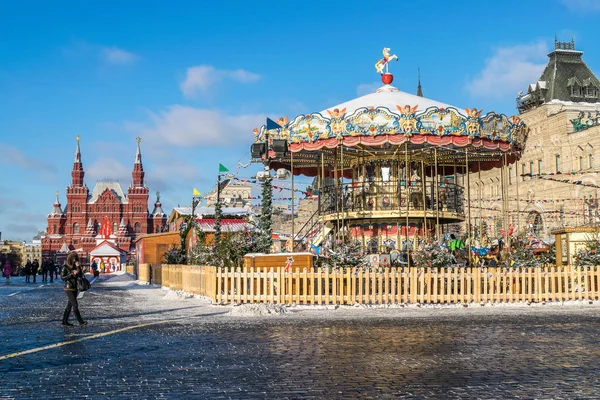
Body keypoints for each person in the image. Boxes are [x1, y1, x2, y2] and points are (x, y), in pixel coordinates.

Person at [61, 252, 87, 327]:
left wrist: (79, 268)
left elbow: (80, 276)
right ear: (70, 259)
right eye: (73, 258)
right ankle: (81, 322)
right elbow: (63, 278)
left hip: (75, 287)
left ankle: (64, 321)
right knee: (75, 305)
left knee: (69, 306)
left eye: (76, 258)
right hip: (68, 288)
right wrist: (72, 274)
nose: (75, 260)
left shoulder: (75, 266)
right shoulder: (65, 267)